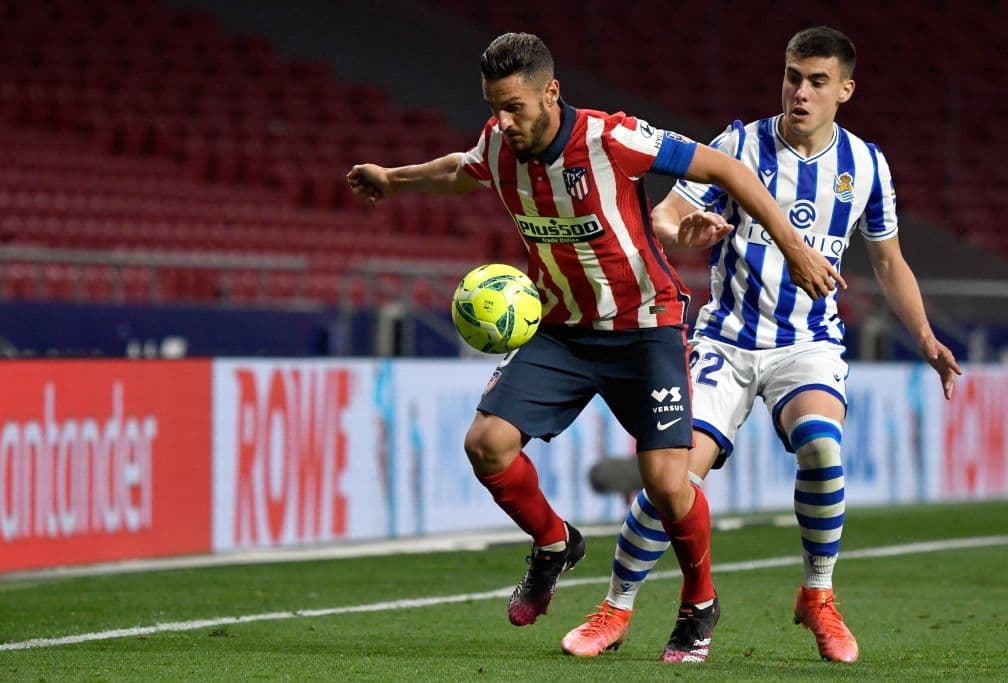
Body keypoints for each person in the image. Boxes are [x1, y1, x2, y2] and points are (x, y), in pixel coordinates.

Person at [347, 32, 842, 661]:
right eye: (494, 106)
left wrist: (794, 247)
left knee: (666, 484)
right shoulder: (499, 144)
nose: (503, 121)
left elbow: (728, 169)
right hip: (561, 331)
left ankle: (699, 601)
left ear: (551, 92)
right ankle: (554, 543)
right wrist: (394, 178)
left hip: (644, 329)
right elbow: (459, 169)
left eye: (515, 106)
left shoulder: (613, 139)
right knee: (486, 445)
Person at [560, 26, 962, 664]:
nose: (800, 91)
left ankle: (818, 596)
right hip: (725, 340)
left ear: (845, 91)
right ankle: (615, 606)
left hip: (807, 344)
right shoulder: (738, 144)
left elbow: (889, 263)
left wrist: (925, 336)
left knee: (822, 451)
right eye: (792, 76)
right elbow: (663, 215)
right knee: (671, 479)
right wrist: (685, 230)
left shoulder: (867, 165)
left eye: (817, 81)